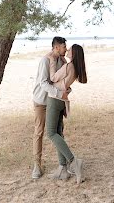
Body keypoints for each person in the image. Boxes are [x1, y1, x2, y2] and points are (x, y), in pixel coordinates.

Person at [46, 44, 87, 184]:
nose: (67, 50)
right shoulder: (74, 67)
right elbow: (63, 80)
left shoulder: (69, 66)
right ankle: (63, 169)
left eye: (70, 49)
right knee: (58, 132)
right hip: (62, 101)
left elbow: (52, 78)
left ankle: (73, 161)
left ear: (74, 53)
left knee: (51, 133)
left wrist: (52, 60)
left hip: (55, 99)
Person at [32, 36, 70, 179]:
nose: (66, 49)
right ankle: (37, 165)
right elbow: (43, 83)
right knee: (39, 131)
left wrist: (66, 90)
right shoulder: (45, 60)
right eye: (63, 46)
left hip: (55, 101)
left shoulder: (62, 61)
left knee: (58, 132)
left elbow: (62, 81)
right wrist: (59, 93)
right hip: (42, 101)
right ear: (56, 47)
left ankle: (63, 165)